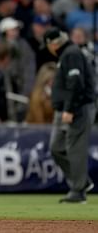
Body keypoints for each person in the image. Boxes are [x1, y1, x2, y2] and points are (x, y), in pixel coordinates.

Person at [44, 27, 96, 203]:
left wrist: (69, 109)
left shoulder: (71, 53)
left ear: (52, 44)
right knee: (57, 147)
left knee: (75, 148)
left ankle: (78, 190)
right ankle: (82, 181)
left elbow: (76, 83)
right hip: (66, 108)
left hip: (78, 108)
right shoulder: (67, 53)